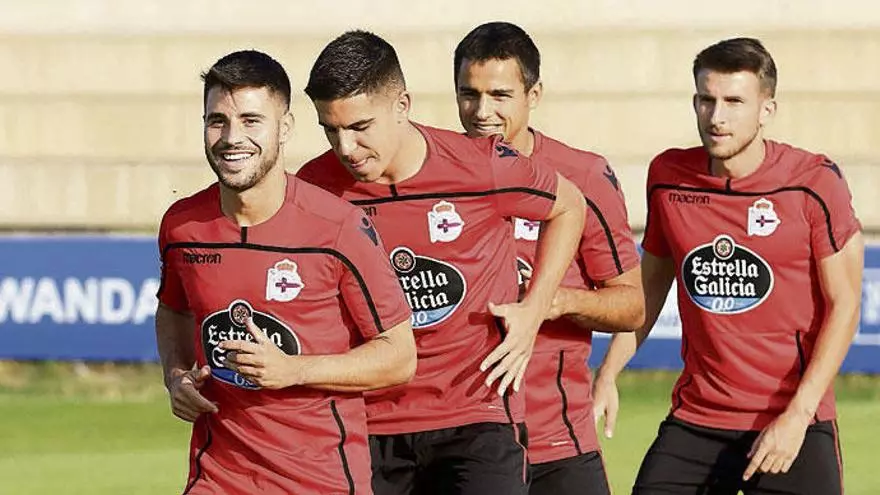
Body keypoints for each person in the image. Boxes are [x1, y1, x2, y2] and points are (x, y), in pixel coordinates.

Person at [297, 30, 586, 495]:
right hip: (367, 421)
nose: (345, 147)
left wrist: (534, 310)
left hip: (476, 416)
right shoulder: (315, 187)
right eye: (331, 130)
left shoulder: (482, 164)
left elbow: (569, 206)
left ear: (402, 106)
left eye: (360, 126)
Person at [595, 37, 863, 494]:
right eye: (707, 100)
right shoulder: (668, 178)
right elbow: (650, 289)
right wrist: (607, 374)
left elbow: (845, 306)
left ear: (766, 109)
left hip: (791, 418)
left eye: (734, 102)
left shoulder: (814, 182)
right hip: (698, 419)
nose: (716, 117)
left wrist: (798, 416)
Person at [155, 49, 417, 495]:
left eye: (251, 121)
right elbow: (173, 310)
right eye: (217, 121)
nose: (232, 137)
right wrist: (176, 375)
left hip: (321, 480)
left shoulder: (340, 227)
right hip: (218, 477)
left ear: (286, 127)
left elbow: (398, 357)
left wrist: (294, 370)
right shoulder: (182, 226)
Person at [453, 21, 645, 495]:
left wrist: (553, 301)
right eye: (469, 94)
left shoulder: (583, 176)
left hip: (554, 443)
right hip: (455, 446)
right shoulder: (432, 175)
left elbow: (631, 307)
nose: (482, 111)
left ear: (533, 94)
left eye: (500, 95)